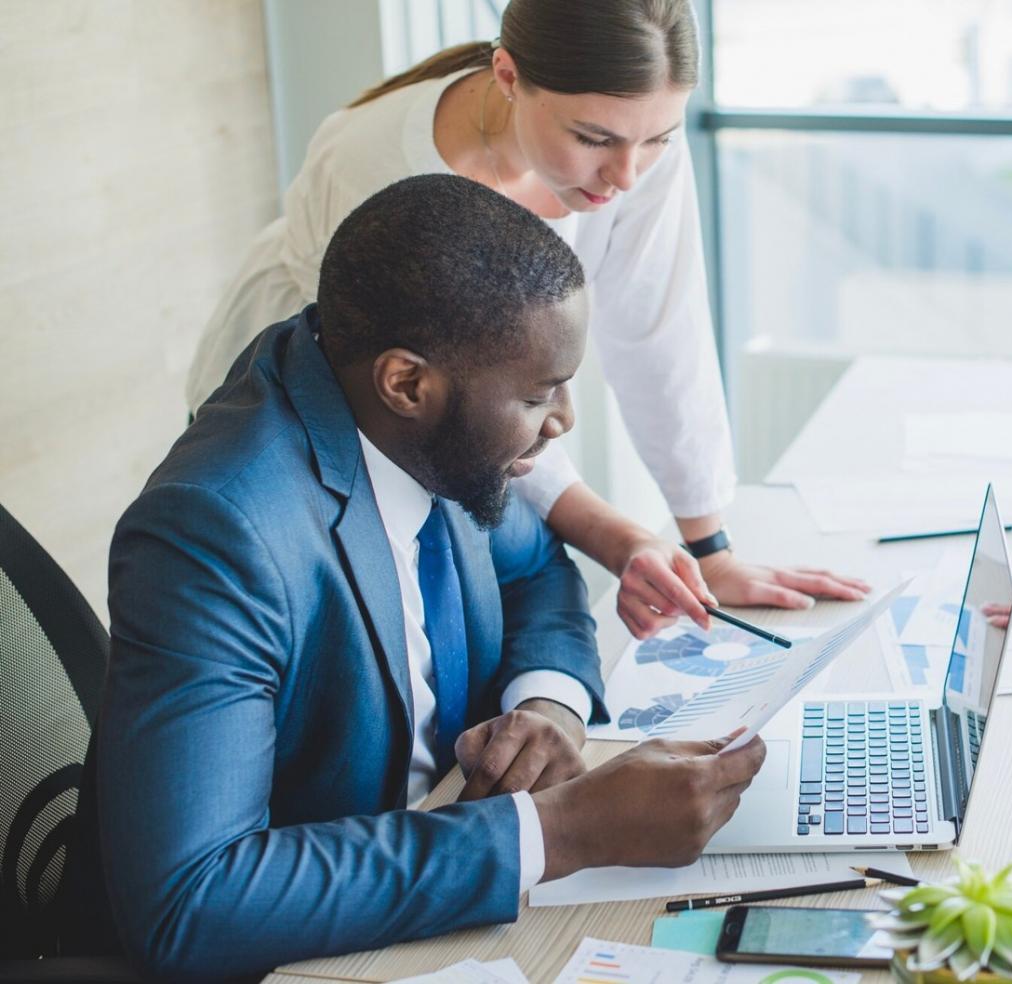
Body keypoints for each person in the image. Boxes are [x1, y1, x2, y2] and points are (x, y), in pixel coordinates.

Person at [62, 175, 767, 979]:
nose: (564, 418)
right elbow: (191, 900)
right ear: (407, 383)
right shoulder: (217, 532)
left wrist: (548, 703)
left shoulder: (418, 423)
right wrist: (560, 831)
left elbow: (536, 566)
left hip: (431, 889)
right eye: (539, 394)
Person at [185, 0, 868, 640]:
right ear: (507, 76)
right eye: (593, 138)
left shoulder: (629, 135)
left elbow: (660, 333)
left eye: (657, 139)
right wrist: (612, 536)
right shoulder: (378, 172)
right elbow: (476, 404)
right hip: (324, 411)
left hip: (467, 414)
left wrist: (708, 546)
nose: (627, 175)